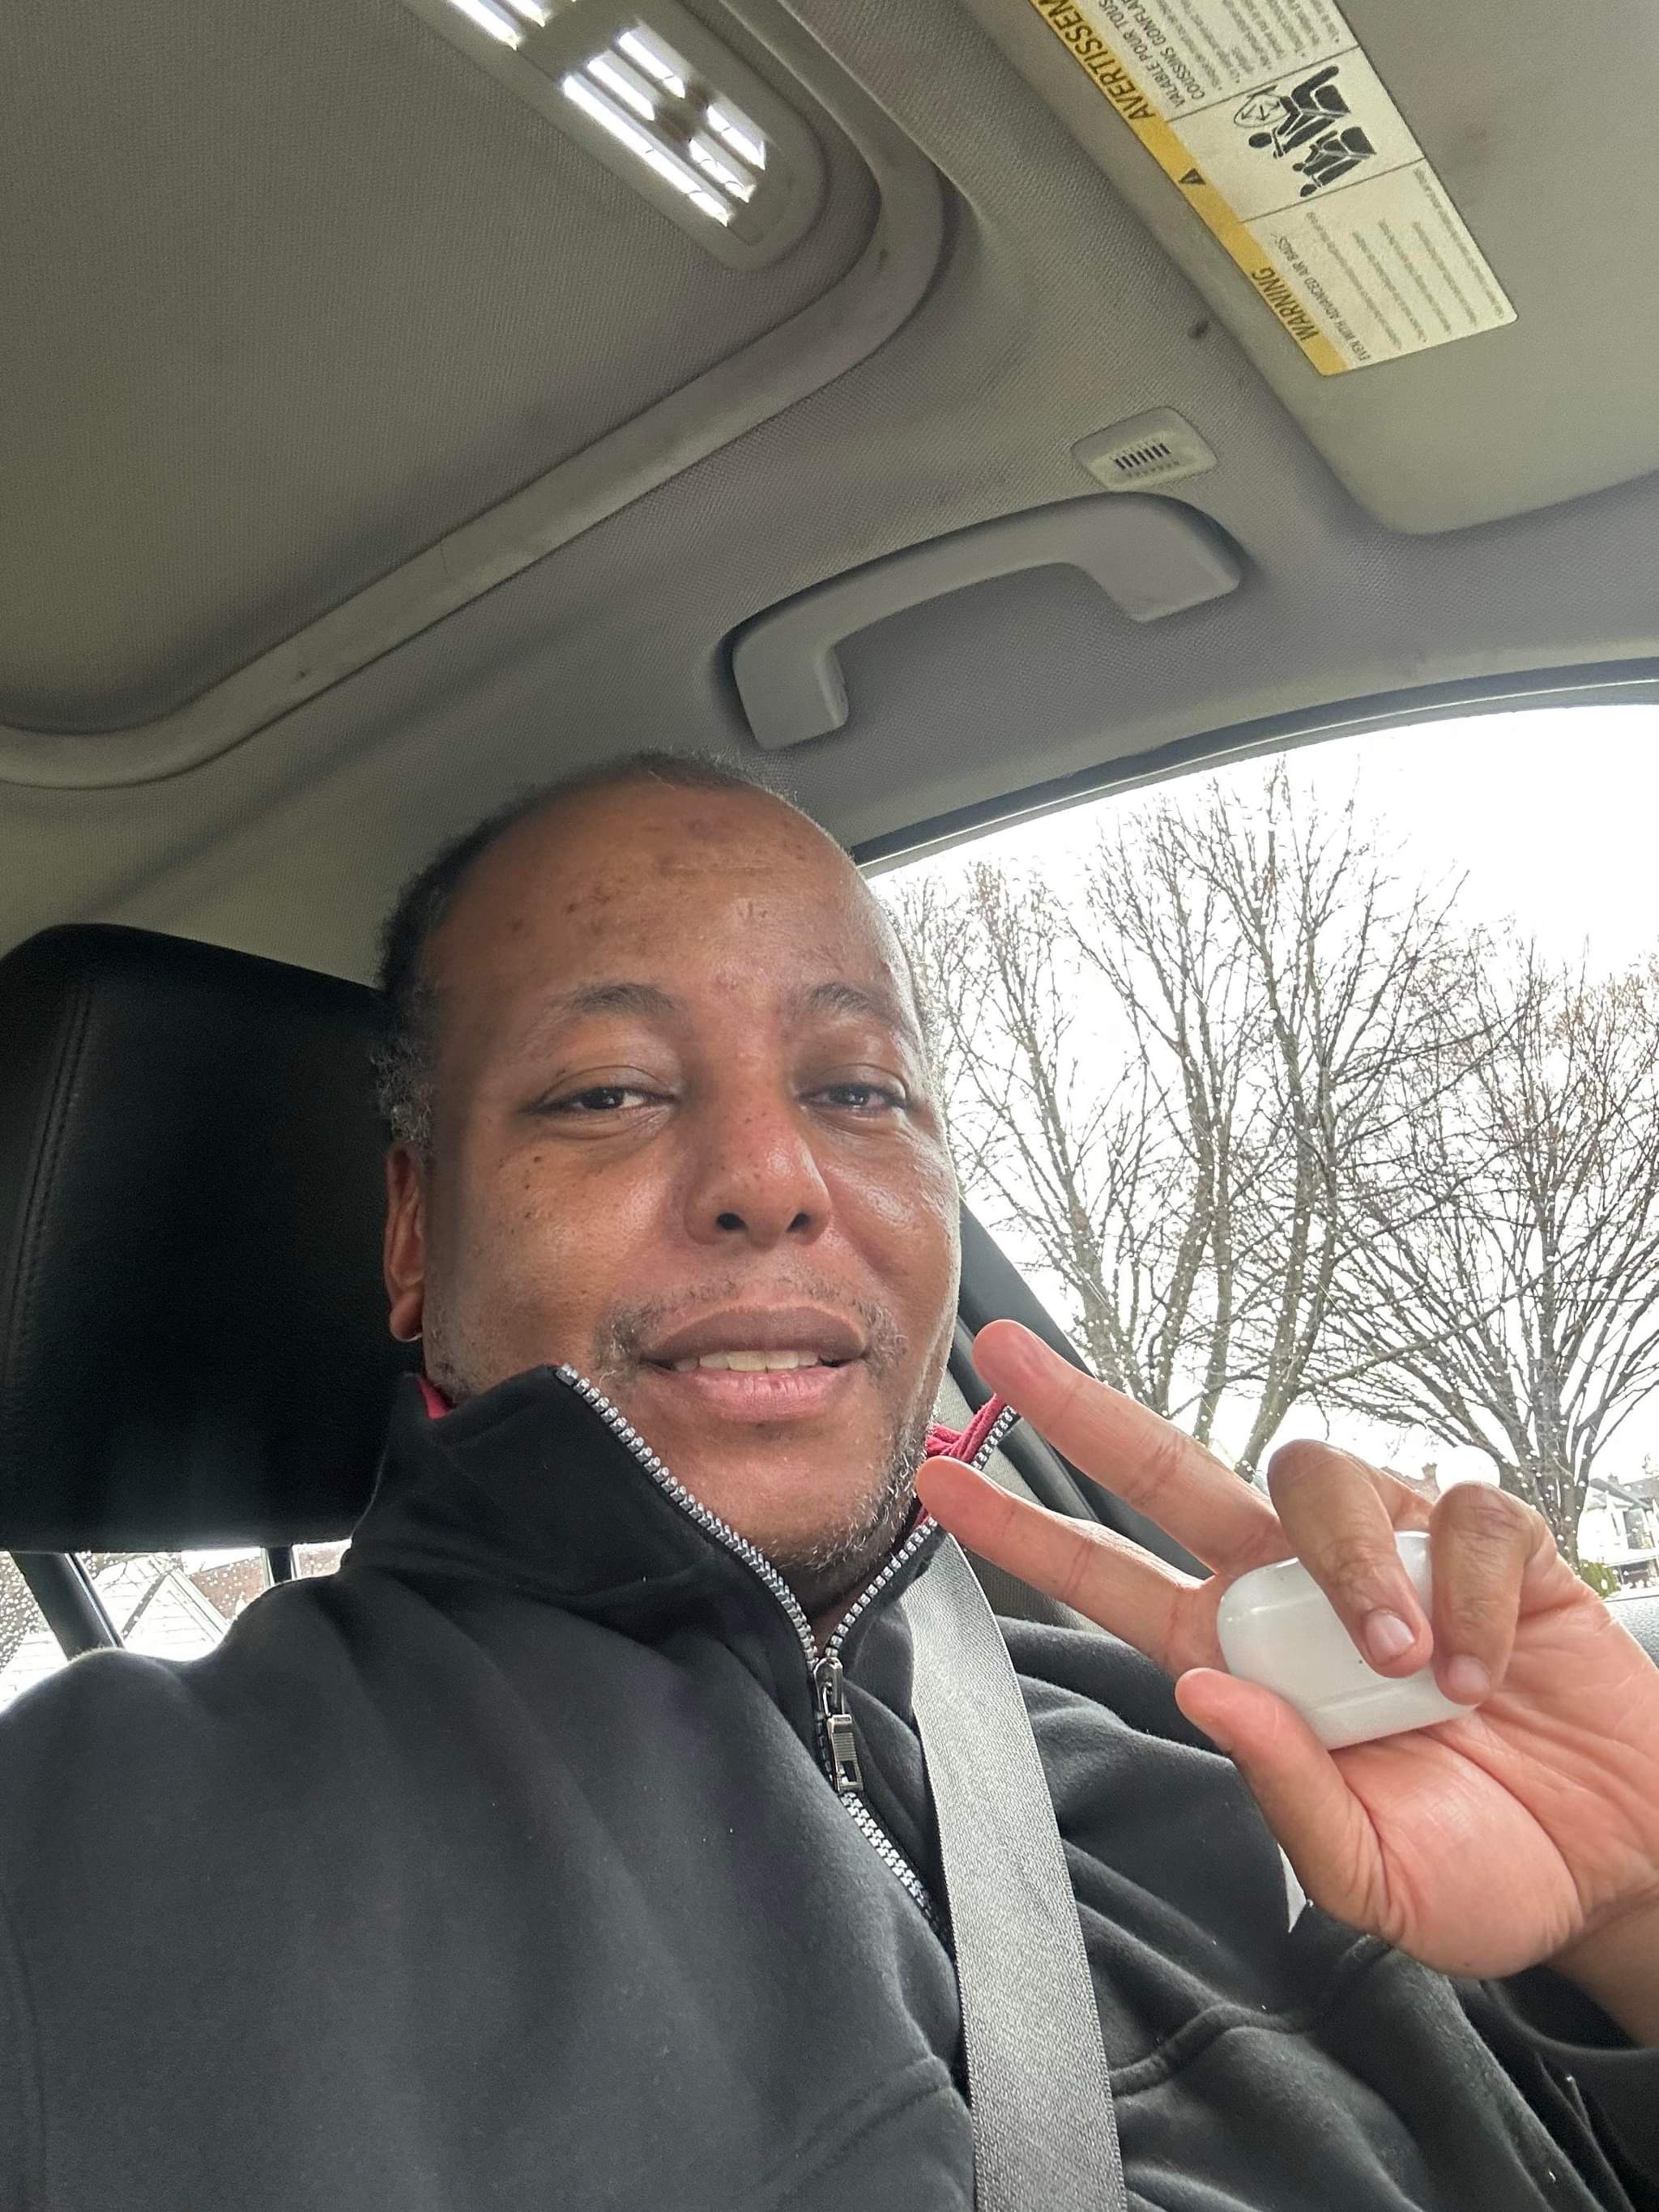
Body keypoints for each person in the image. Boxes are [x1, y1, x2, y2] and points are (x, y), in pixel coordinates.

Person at [2, 750, 1657, 2212]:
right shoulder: (82, 1859)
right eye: (607, 1092)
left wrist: (1630, 1909)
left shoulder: (1232, 1748)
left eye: (858, 1089)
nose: (768, 1177)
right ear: (416, 1233)